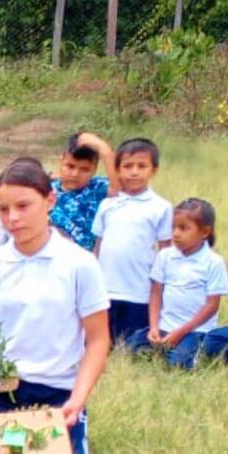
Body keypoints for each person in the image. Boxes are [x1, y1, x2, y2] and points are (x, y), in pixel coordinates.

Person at [0, 159, 110, 454]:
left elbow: (99, 340)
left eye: (23, 205)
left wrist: (78, 398)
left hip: (60, 393)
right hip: (5, 392)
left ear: (49, 200)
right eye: (4, 209)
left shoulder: (80, 264)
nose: (13, 218)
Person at [127, 198, 228, 368]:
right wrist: (153, 327)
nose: (175, 234)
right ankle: (162, 347)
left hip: (194, 330)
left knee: (179, 365)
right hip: (164, 326)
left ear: (205, 232)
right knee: (130, 348)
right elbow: (156, 293)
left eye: (183, 228)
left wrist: (181, 332)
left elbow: (212, 306)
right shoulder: (165, 256)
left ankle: (200, 351)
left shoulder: (213, 262)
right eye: (173, 227)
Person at [92, 138, 172, 342]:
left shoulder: (161, 207)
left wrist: (162, 290)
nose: (134, 172)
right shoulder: (108, 205)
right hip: (105, 289)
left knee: (133, 344)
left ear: (154, 170)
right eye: (127, 166)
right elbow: (98, 246)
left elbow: (165, 251)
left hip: (139, 291)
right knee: (102, 341)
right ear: (117, 170)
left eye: (142, 166)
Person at [49, 132, 119, 251]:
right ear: (61, 161)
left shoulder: (98, 188)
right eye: (70, 166)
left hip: (88, 260)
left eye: (84, 169)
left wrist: (104, 150)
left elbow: (120, 189)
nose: (75, 174)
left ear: (94, 169)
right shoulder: (46, 190)